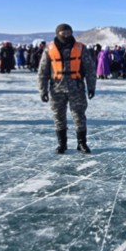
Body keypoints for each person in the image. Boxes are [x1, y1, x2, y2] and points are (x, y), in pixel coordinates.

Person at [38, 23, 97, 154]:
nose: (66, 35)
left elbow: (89, 69)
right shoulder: (49, 49)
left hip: (77, 88)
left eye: (68, 32)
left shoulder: (80, 48)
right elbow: (43, 71)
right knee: (58, 116)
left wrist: (91, 87)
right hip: (56, 89)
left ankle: (82, 143)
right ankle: (62, 144)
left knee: (79, 116)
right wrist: (43, 90)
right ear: (57, 33)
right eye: (63, 33)